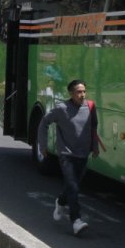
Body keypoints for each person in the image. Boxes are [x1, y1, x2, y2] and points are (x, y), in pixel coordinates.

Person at [38, 79, 104, 236]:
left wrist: (94, 147)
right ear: (71, 93)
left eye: (84, 91)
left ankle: (60, 201)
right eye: (78, 92)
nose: (82, 95)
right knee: (73, 187)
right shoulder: (62, 109)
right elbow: (44, 122)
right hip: (66, 154)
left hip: (83, 153)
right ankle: (76, 220)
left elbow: (93, 127)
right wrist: (43, 145)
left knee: (72, 187)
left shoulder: (90, 107)